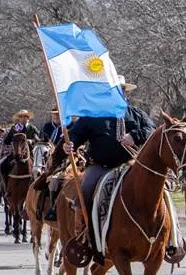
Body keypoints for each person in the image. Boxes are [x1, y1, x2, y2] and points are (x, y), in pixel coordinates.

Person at [62, 100, 155, 244]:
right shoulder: (93, 113)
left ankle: (169, 236)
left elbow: (152, 129)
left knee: (160, 188)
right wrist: (70, 144)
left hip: (131, 166)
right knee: (86, 188)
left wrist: (135, 135)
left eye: (121, 89)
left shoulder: (136, 113)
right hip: (101, 166)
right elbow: (76, 133)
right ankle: (83, 231)